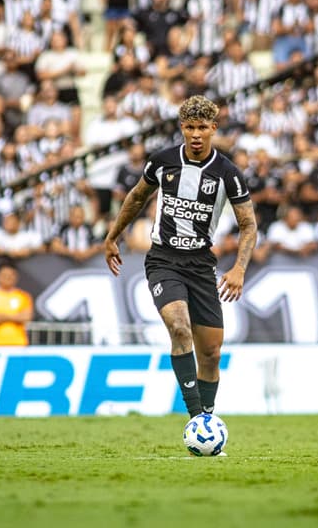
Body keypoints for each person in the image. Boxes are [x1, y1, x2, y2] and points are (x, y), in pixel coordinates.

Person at [104, 95, 257, 423]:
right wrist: (113, 236)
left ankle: (207, 417)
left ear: (213, 128)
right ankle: (197, 419)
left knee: (211, 353)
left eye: (202, 127)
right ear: (182, 128)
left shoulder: (227, 173)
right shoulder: (163, 162)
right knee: (179, 327)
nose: (196, 134)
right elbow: (137, 197)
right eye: (189, 127)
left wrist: (239, 269)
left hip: (201, 264)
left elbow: (248, 224)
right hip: (164, 260)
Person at [0, 261, 33, 347]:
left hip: (18, 344)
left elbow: (26, 317)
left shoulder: (24, 296)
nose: (8, 278)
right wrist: (15, 316)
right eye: (4, 275)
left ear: (16, 276)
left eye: (11, 275)